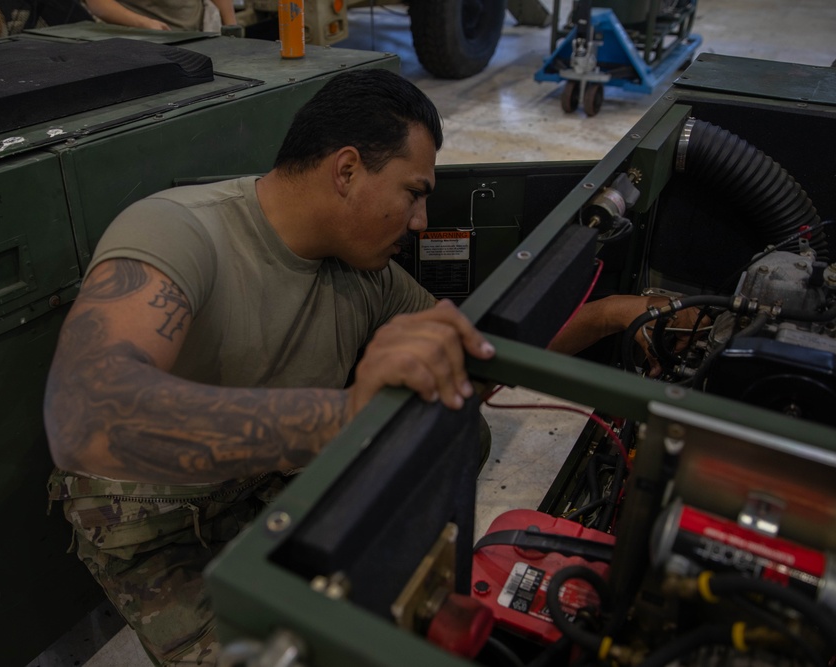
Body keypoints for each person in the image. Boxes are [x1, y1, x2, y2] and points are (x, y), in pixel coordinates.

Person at [43, 69, 673, 666]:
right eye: (414, 193)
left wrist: (613, 315)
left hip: (263, 481)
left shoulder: (360, 270)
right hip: (156, 516)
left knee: (451, 438)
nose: (422, 220)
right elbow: (91, 414)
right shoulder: (180, 231)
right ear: (346, 170)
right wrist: (338, 417)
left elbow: (479, 353)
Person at [83, 0, 237, 32]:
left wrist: (231, 26)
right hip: (139, 36)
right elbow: (98, 3)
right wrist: (144, 24)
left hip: (202, 29)